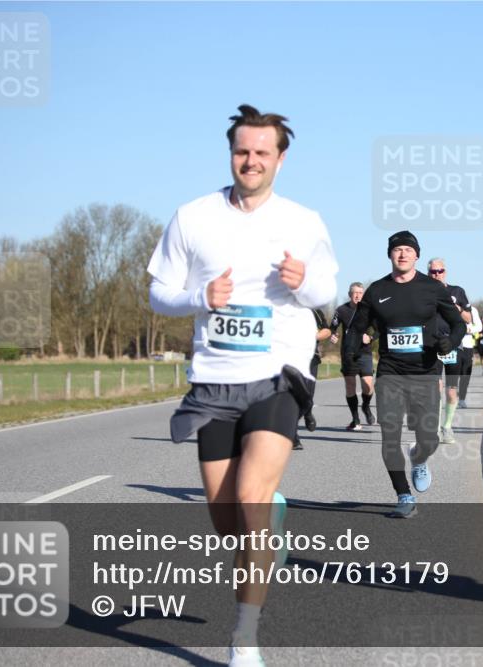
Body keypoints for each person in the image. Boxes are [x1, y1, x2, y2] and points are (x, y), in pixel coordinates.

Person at [148, 104, 338, 666]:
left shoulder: (304, 221)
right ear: (231, 153)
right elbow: (159, 291)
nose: (251, 160)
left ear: (281, 157)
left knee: (251, 499)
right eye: (242, 151)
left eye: (262, 152)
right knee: (228, 521)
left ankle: (244, 637)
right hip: (214, 380)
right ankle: (268, 520)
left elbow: (324, 285)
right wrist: (198, 298)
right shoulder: (192, 217)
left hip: (279, 374)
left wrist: (303, 285)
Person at [346, 231, 466, 518]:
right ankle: (403, 495)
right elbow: (356, 328)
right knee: (390, 435)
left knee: (429, 439)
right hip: (390, 372)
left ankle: (419, 458)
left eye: (408, 250)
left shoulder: (432, 288)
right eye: (397, 250)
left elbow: (457, 323)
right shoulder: (376, 290)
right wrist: (351, 355)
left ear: (417, 255)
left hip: (425, 372)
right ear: (390, 255)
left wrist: (451, 341)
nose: (402, 254)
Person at [427, 257, 473, 445]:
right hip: (431, 345)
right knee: (435, 387)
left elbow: (468, 318)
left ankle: (447, 426)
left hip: (453, 344)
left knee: (451, 391)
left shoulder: (457, 291)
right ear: (428, 272)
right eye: (433, 272)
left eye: (440, 271)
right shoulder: (423, 290)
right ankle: (436, 428)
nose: (437, 274)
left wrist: (458, 309)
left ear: (445, 272)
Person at [329, 282, 376, 430]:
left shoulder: (369, 311)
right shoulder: (341, 310)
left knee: (368, 386)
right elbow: (332, 328)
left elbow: (379, 329)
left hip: (364, 352)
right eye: (355, 293)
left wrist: (371, 337)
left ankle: (366, 407)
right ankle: (355, 419)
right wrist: (333, 335)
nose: (357, 295)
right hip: (348, 352)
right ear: (350, 294)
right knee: (350, 385)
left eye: (360, 293)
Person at [293, 308, 332, 450]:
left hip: (310, 357)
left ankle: (307, 410)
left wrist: (313, 336)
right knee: (290, 396)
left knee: (307, 395)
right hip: (287, 356)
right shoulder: (280, 305)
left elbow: (327, 330)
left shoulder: (313, 310)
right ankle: (293, 436)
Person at [457, 304, 483, 408]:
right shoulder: (450, 306)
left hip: (467, 345)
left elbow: (479, 326)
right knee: (453, 373)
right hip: (453, 344)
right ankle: (452, 397)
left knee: (465, 374)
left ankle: (462, 399)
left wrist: (467, 329)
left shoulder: (472, 310)